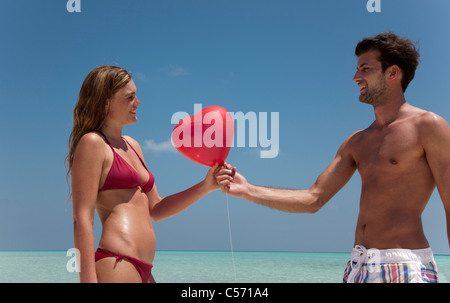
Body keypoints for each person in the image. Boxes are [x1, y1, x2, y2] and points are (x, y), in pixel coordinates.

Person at [216, 33, 450, 283]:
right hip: (358, 267)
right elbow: (313, 199)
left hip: (404, 266)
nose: (355, 77)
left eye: (365, 68)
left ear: (393, 73)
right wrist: (247, 190)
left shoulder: (428, 126)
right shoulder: (356, 142)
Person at [66, 65, 220, 283]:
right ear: (106, 102)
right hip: (116, 262)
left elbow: (156, 208)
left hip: (144, 268)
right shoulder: (93, 143)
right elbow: (81, 218)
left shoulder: (134, 146)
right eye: (130, 97)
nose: (137, 103)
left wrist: (206, 185)